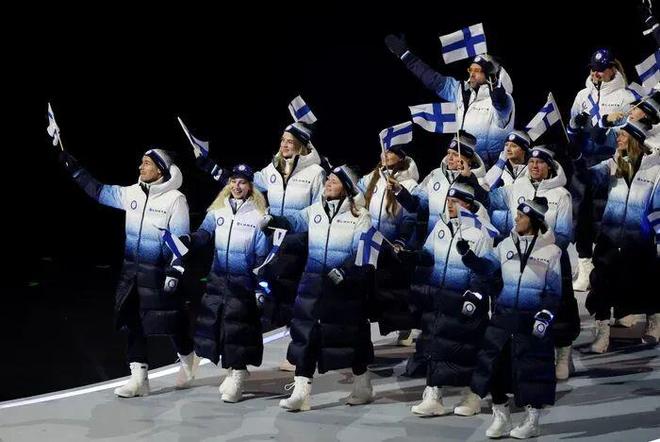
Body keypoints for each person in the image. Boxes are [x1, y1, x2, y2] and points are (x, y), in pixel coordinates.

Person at [57, 148, 196, 398]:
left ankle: (188, 360)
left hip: (160, 273)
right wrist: (74, 168)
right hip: (132, 272)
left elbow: (181, 239)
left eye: (147, 163)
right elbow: (98, 191)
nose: (141, 167)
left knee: (171, 321)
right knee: (132, 322)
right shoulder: (132, 193)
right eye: (141, 162)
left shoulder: (175, 199)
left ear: (160, 169)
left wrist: (175, 272)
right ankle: (139, 379)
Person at [274, 166, 375, 411]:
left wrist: (345, 271)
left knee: (351, 338)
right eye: (328, 179)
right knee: (306, 336)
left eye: (334, 181)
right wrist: (274, 221)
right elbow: (294, 221)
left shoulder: (361, 215)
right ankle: (301, 392)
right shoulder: (315, 209)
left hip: (344, 287)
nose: (328, 183)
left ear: (347, 188)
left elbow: (363, 251)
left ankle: (363, 384)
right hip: (312, 283)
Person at [467, 197, 562, 439]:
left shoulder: (552, 251)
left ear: (533, 220)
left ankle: (532, 421)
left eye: (521, 216)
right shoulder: (505, 244)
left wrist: (545, 316)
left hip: (531, 321)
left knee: (531, 372)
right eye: (517, 215)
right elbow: (487, 268)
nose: (516, 219)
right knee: (494, 368)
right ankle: (501, 415)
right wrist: (469, 257)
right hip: (503, 318)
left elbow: (554, 291)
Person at [397, 182, 493, 417]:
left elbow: (484, 269)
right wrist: (413, 256)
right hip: (439, 297)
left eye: (455, 201)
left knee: (466, 350)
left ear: (468, 204)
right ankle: (433, 395)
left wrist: (474, 296)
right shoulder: (441, 224)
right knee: (435, 347)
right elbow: (429, 255)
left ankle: (472, 397)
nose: (450, 205)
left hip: (464, 300)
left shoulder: (481, 232)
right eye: (448, 201)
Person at [488, 146, 577, 379]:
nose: (534, 166)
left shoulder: (561, 194)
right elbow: (487, 196)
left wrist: (543, 251)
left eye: (540, 162)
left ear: (549, 166)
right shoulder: (517, 186)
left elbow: (564, 234)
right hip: (520, 257)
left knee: (560, 306)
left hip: (552, 257)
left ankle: (564, 353)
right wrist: (473, 177)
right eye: (531, 162)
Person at [183, 164, 268, 402]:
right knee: (219, 326)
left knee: (237, 330)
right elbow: (204, 234)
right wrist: (188, 239)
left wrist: (260, 286)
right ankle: (232, 370)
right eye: (233, 181)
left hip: (243, 281)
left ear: (250, 186)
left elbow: (262, 255)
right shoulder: (218, 210)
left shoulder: (259, 216)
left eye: (242, 182)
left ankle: (238, 375)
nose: (236, 186)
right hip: (218, 278)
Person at [572, 120, 660, 351]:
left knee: (647, 283)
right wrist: (578, 157)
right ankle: (602, 333)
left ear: (635, 139)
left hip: (640, 239)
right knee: (600, 284)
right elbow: (588, 177)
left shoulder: (655, 169)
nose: (618, 139)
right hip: (609, 237)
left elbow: (658, 205)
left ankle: (654, 321)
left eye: (622, 135)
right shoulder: (613, 163)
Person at [384, 34, 515, 168]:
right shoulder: (461, 91)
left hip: (492, 168)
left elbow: (499, 101)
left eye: (477, 70)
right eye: (470, 69)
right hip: (463, 163)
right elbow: (433, 80)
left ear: (489, 74)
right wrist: (406, 56)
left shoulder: (506, 100)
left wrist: (493, 81)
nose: (471, 74)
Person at [568, 48, 636, 292]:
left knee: (606, 215)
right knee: (580, 213)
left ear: (611, 69)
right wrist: (575, 127)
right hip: (584, 161)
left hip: (611, 161)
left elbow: (629, 134)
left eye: (600, 69)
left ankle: (608, 270)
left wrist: (603, 127)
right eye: (593, 69)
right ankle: (585, 266)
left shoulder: (626, 97)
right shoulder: (582, 95)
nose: (595, 73)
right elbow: (571, 130)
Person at [357, 144, 419, 344]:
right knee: (369, 288)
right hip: (372, 240)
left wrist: (402, 240)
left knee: (394, 290)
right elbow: (356, 197)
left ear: (401, 157)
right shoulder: (371, 177)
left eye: (391, 151)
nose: (385, 154)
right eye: (384, 150)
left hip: (393, 244)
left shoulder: (410, 183)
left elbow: (411, 216)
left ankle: (405, 327)